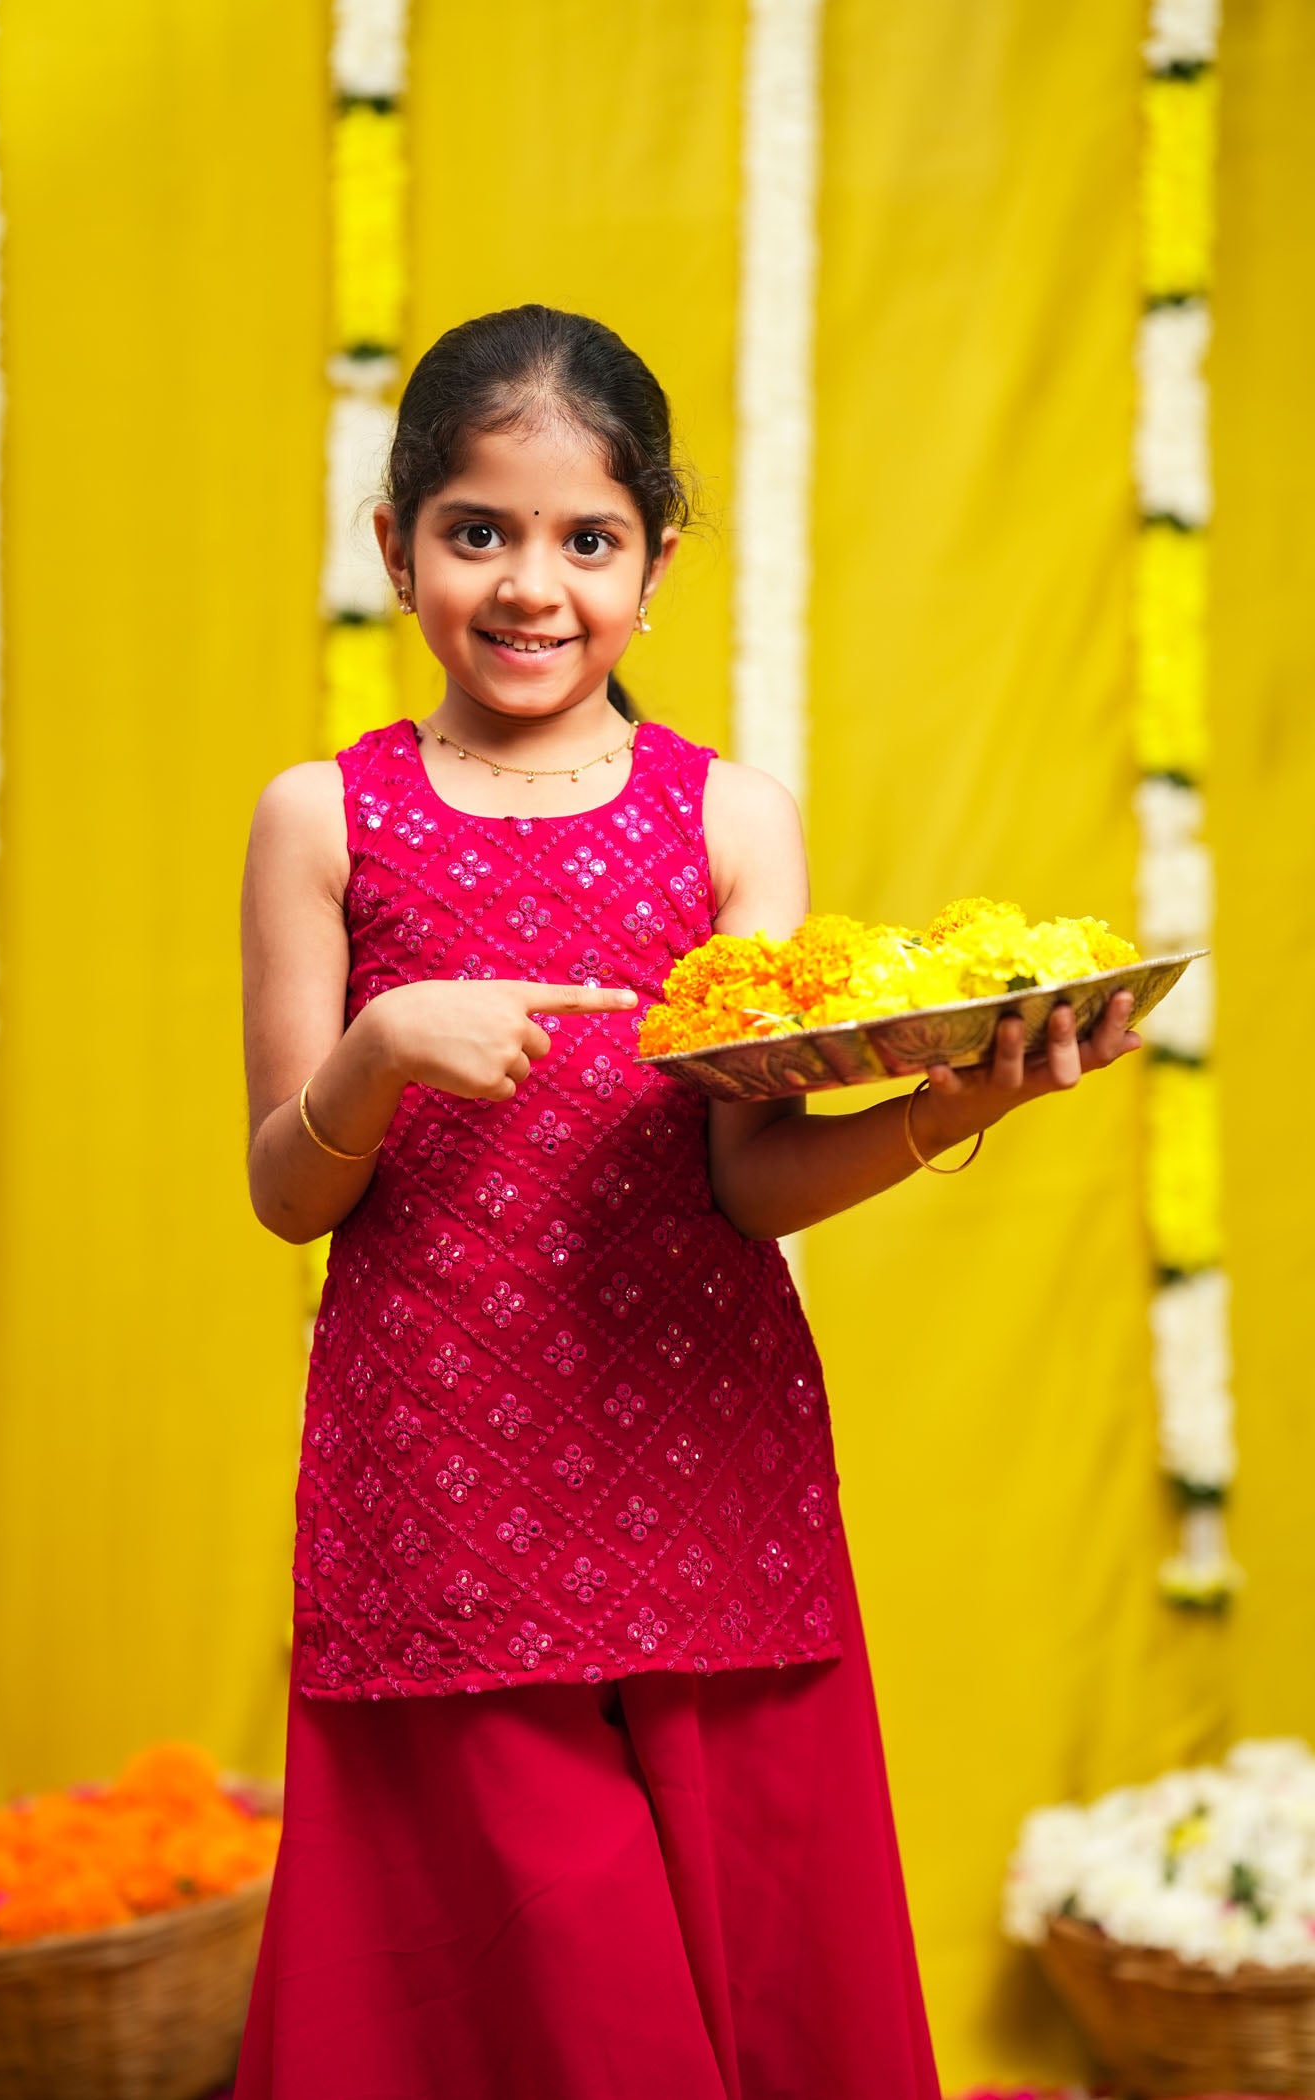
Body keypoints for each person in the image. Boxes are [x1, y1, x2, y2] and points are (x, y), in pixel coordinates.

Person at [234, 304, 1141, 2100]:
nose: (531, 586)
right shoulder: (323, 820)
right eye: (477, 532)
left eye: (589, 540)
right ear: (396, 545)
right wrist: (383, 1052)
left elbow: (750, 1181)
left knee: (751, 1967)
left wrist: (965, 1095)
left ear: (656, 564)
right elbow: (285, 1192)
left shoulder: (729, 820)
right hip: (447, 1479)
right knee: (552, 1996)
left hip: (700, 1461)